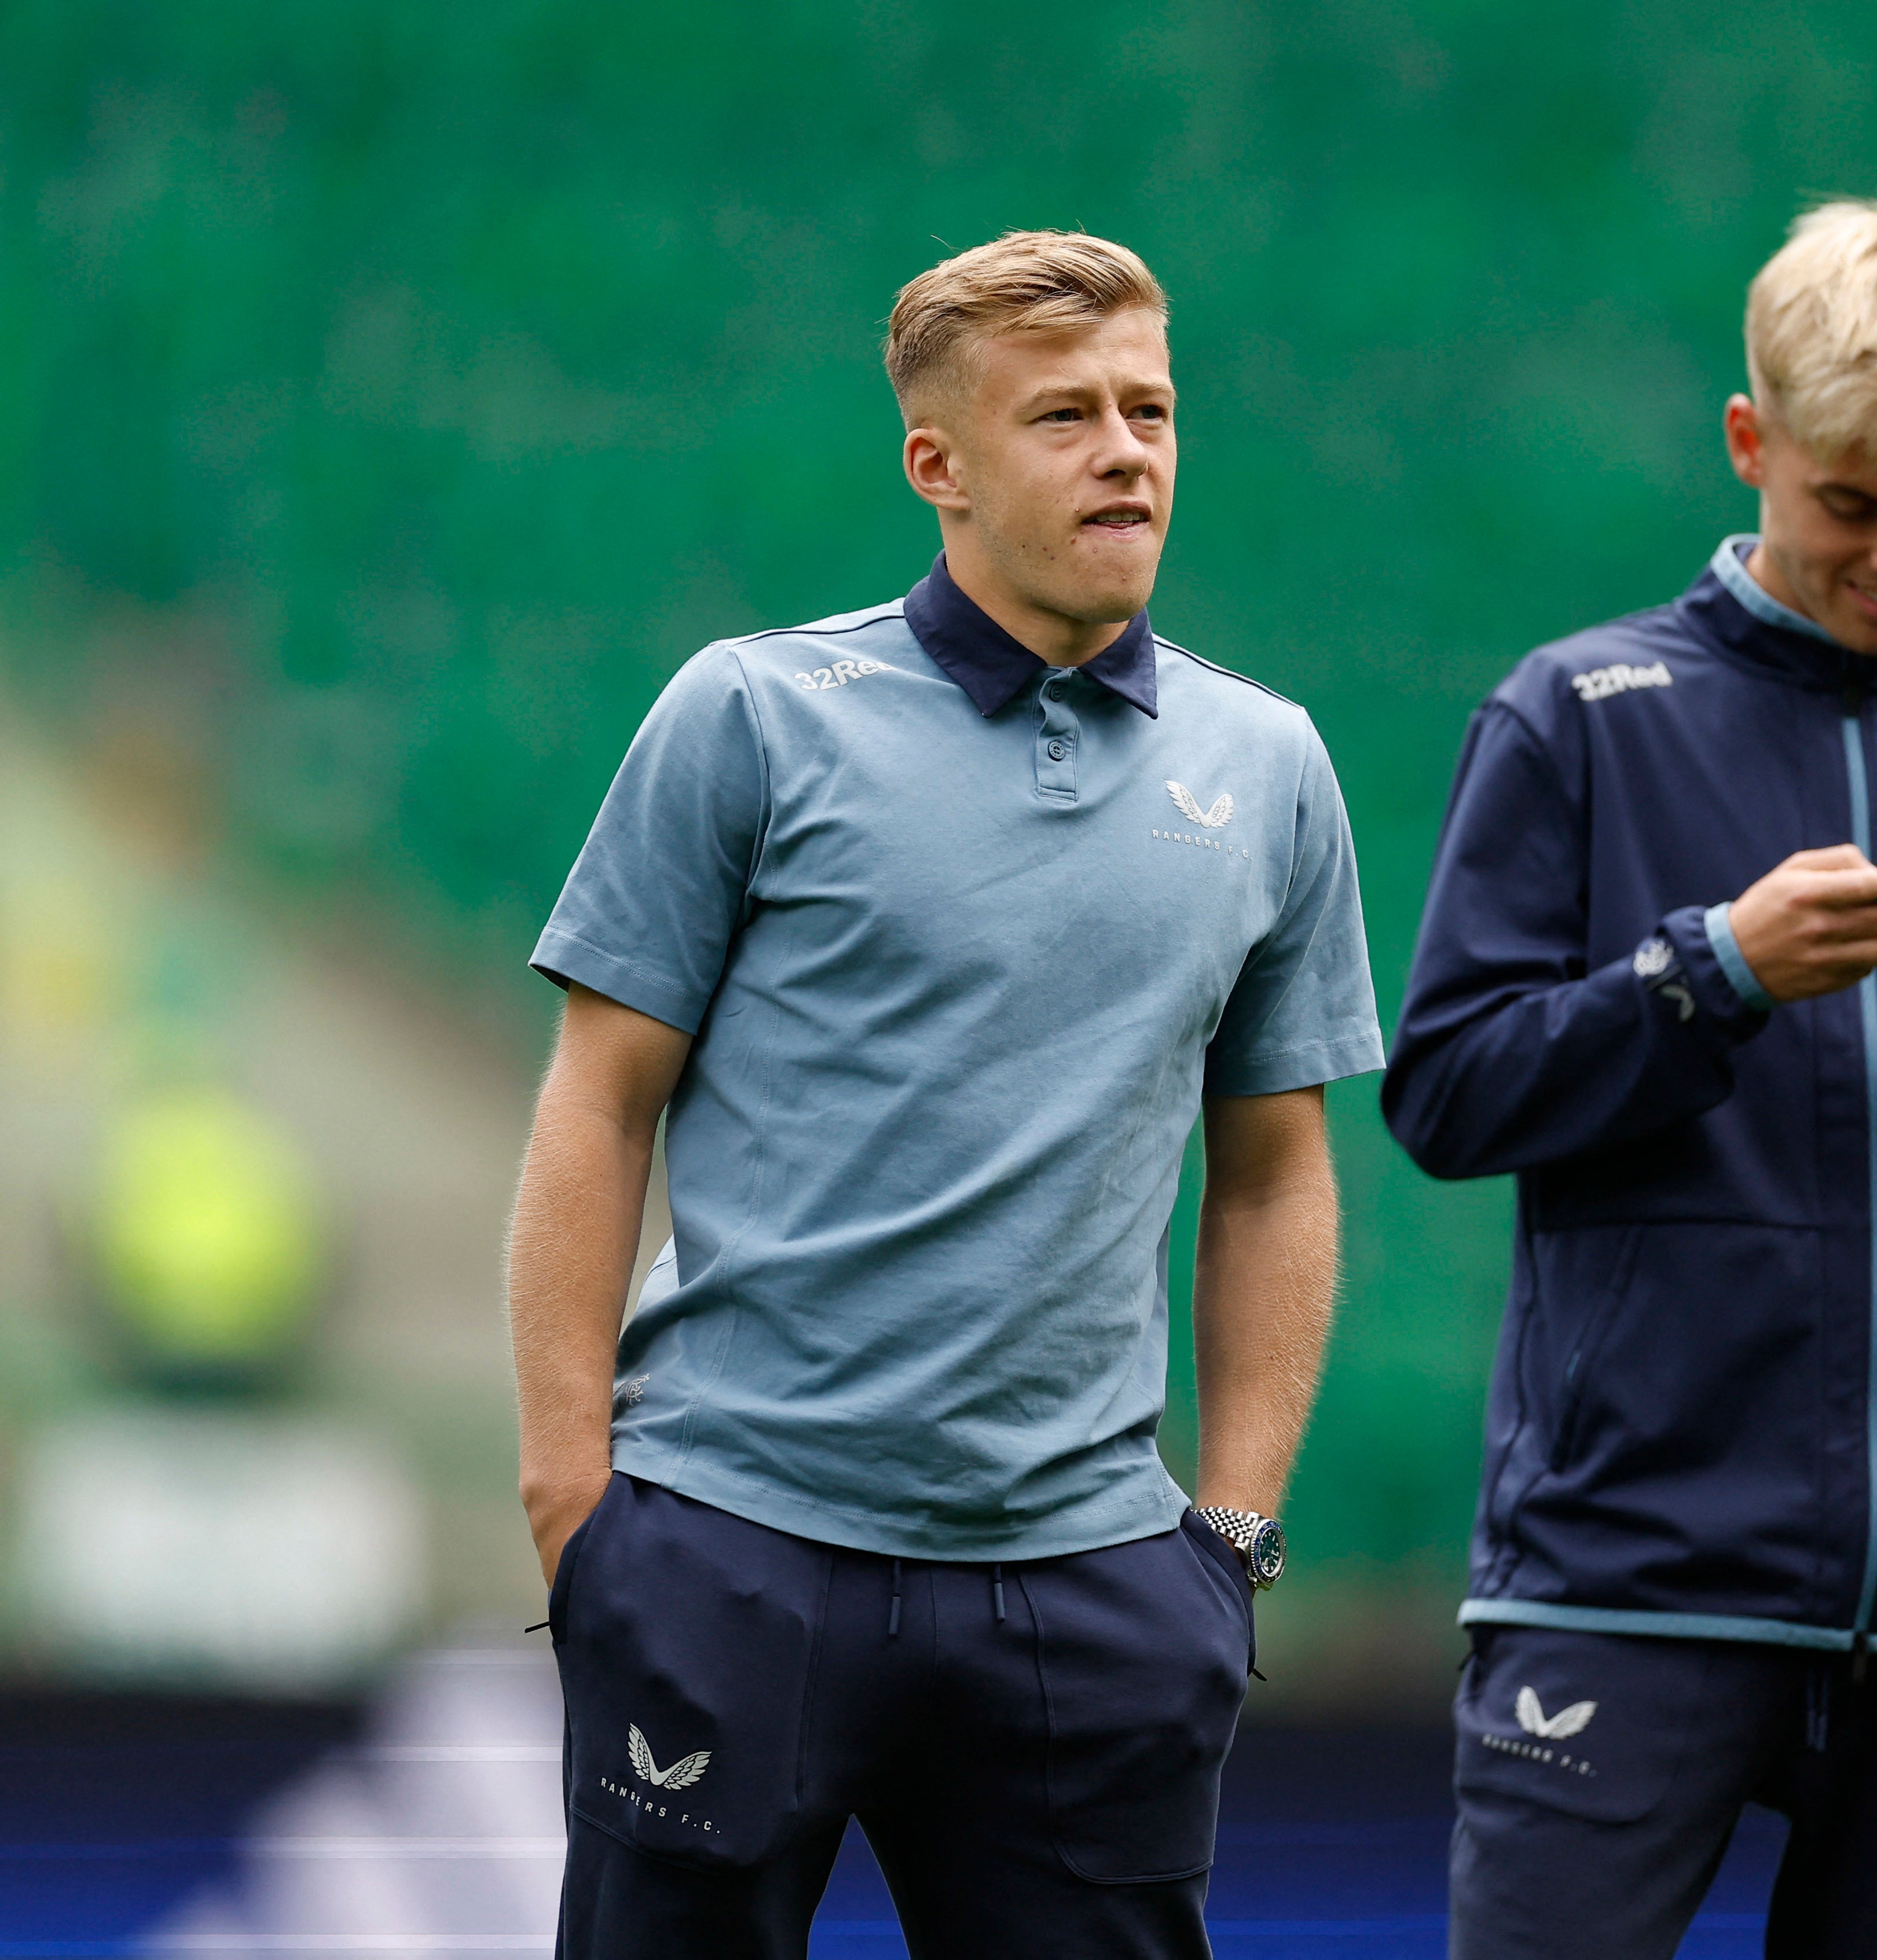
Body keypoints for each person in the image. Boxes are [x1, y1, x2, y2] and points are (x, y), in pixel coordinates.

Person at [508, 230, 1384, 1960]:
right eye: (1065, 414)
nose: (1127, 449)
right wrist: (575, 1507)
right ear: (939, 465)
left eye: (1151, 408)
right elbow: (597, 1106)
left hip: (1095, 1581)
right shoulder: (751, 715)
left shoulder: (1267, 763)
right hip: (735, 1549)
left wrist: (1233, 1536)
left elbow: (1277, 1166)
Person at [1383, 190, 1877, 1960]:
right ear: (1750, 441)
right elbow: (1444, 1090)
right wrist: (1710, 974)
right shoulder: (1579, 712)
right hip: (1625, 1581)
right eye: (1852, 506)